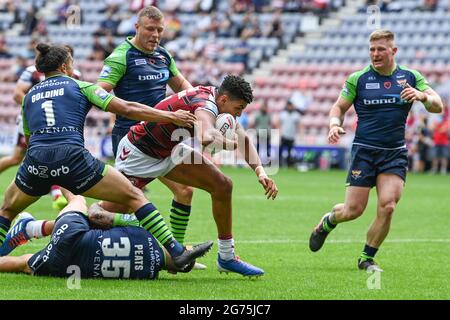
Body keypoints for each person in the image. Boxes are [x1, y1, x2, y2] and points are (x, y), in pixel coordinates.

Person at [0, 42, 211, 271]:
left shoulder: (29, 96)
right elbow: (127, 108)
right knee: (134, 195)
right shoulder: (81, 87)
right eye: (71, 63)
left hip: (36, 163)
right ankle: (177, 252)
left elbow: (31, 140)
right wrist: (169, 117)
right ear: (64, 66)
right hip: (73, 160)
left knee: (8, 210)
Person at [98, 75, 278, 277]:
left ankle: (224, 257)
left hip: (169, 150)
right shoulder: (206, 106)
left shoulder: (217, 101)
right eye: (239, 108)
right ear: (224, 99)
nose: (238, 115)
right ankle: (70, 224)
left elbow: (243, 138)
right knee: (101, 216)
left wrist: (260, 171)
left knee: (222, 185)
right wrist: (227, 143)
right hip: (139, 154)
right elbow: (205, 136)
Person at [309, 29, 443, 271]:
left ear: (393, 51)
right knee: (352, 211)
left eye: (381, 49)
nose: (375, 54)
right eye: (372, 49)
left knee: (388, 205)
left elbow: (438, 105)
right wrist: (333, 124)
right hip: (364, 152)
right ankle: (327, 222)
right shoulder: (358, 79)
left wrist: (422, 96)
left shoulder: (411, 77)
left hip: (394, 153)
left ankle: (366, 257)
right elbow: (338, 108)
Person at [97, 6, 197, 253]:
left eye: (159, 30)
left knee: (185, 190)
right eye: (150, 29)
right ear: (137, 28)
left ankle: (177, 253)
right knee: (118, 206)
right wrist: (128, 109)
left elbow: (185, 88)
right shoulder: (121, 56)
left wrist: (203, 105)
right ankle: (52, 228)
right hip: (132, 141)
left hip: (161, 137)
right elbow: (99, 92)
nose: (155, 35)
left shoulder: (163, 56)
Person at [0, 194, 198, 278]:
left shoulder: (145, 231)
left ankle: (58, 170)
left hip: (75, 236)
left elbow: (98, 217)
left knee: (77, 199)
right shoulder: (148, 274)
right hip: (67, 265)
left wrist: (98, 207)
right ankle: (31, 228)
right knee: (23, 264)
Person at [0, 45, 82, 211]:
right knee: (19, 158)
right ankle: (63, 196)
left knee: (48, 156)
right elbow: (17, 94)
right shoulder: (32, 71)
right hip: (33, 121)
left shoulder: (76, 75)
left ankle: (59, 194)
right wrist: (36, 108)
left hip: (59, 124)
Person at [278, 101, 301, 167]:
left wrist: (300, 134)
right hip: (284, 135)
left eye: (291, 106)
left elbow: (299, 125)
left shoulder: (296, 115)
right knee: (281, 150)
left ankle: (288, 164)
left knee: (289, 151)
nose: (290, 107)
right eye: (289, 106)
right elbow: (278, 123)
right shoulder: (283, 114)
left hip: (291, 136)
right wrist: (279, 132)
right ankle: (279, 163)